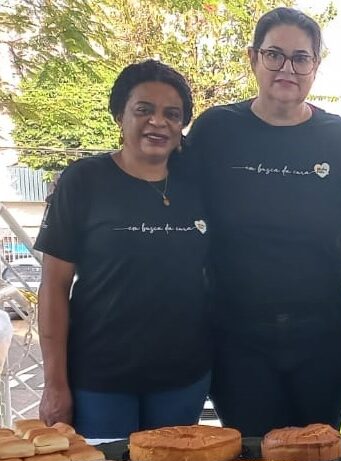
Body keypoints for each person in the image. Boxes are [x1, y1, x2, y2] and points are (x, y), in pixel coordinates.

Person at [186, 7, 341, 437]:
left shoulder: (339, 139)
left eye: (301, 58)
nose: (287, 68)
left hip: (322, 333)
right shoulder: (214, 130)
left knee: (320, 455)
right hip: (237, 335)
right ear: (253, 59)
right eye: (275, 55)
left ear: (315, 67)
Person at [35, 60, 211, 438]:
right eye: (143, 110)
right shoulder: (84, 181)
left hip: (182, 378)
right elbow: (53, 286)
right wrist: (55, 383)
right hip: (101, 379)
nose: (158, 122)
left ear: (182, 126)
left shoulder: (198, 186)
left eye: (172, 114)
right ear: (120, 115)